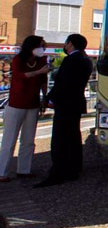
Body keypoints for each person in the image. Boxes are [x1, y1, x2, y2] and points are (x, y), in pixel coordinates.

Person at [34, 34, 93, 188]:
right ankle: (74, 169)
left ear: (70, 44)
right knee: (73, 137)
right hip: (76, 103)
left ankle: (58, 172)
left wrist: (49, 99)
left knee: (60, 139)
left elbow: (62, 83)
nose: (65, 46)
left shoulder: (71, 60)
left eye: (66, 43)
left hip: (65, 104)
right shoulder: (86, 60)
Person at [0, 36, 51, 182]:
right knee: (9, 140)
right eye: (40, 46)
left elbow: (43, 81)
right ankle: (2, 172)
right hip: (16, 104)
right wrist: (38, 72)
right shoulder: (18, 60)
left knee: (28, 140)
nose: (42, 49)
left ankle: (24, 170)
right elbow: (19, 76)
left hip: (33, 104)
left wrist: (45, 98)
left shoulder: (42, 61)